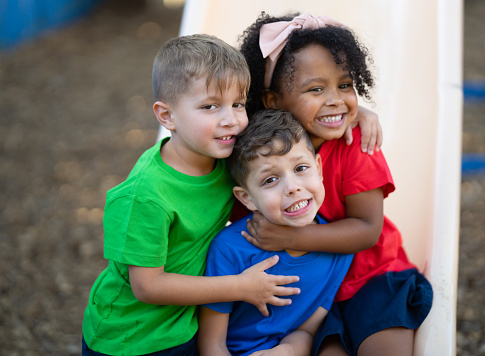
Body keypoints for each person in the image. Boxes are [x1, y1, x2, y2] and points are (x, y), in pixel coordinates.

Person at [81, 34, 303, 356]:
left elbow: (287, 136)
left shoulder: (224, 156)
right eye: (210, 106)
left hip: (185, 325)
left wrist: (361, 115)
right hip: (130, 337)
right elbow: (147, 286)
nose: (232, 119)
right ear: (167, 116)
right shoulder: (145, 195)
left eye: (238, 104)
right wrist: (240, 286)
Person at [238, 13, 433, 356]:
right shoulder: (259, 156)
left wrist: (293, 237)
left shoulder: (354, 144)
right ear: (272, 101)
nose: (336, 99)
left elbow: (367, 230)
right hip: (314, 289)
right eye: (316, 89)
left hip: (373, 278)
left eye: (345, 85)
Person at [197, 109, 353, 356]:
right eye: (270, 180)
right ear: (246, 198)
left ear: (319, 169)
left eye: (301, 168)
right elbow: (211, 343)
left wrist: (289, 350)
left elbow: (307, 329)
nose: (292, 188)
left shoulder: (338, 251)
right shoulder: (229, 249)